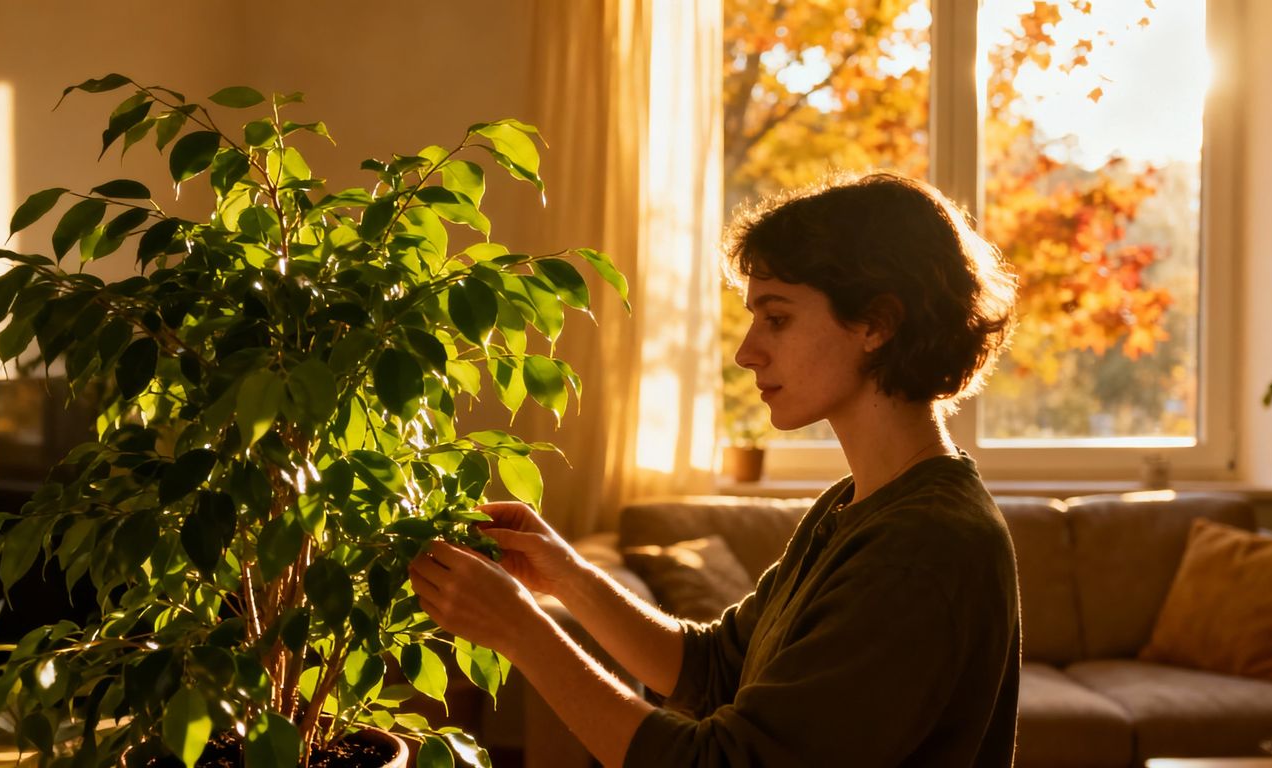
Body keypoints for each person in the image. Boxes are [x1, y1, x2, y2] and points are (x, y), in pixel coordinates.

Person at [409, 172, 1022, 767]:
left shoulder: (924, 547)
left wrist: (520, 631)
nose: (746, 351)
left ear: (877, 324)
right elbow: (716, 667)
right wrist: (566, 576)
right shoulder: (856, 503)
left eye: (776, 318)